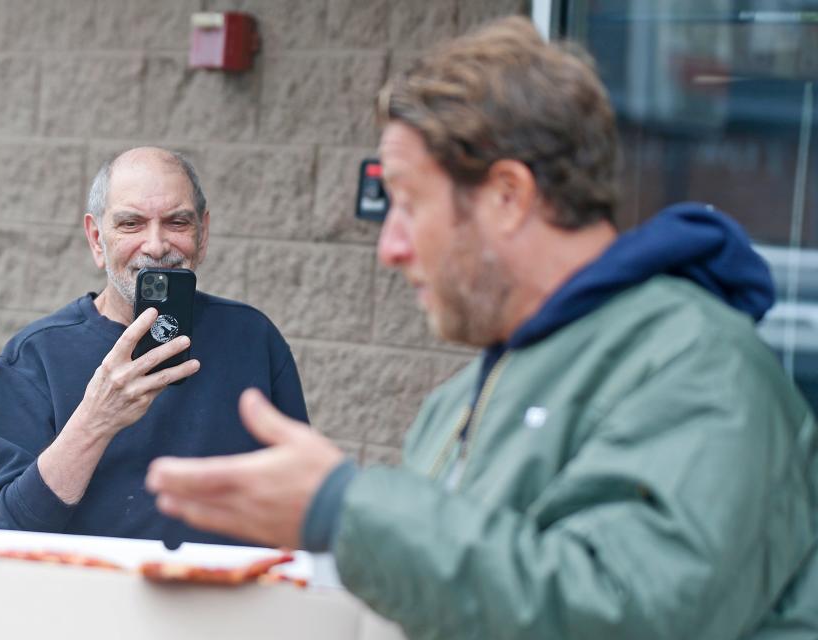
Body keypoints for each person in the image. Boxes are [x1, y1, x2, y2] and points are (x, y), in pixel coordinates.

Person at [143, 17, 818, 639]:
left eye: (408, 204)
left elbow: (625, 612)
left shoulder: (699, 368)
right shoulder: (458, 402)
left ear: (507, 196)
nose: (391, 247)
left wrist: (343, 512)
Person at [0, 147, 307, 548]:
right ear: (97, 240)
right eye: (131, 224)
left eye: (177, 221)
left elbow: (301, 503)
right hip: (86, 599)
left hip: (223, 598)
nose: (157, 245)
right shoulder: (33, 358)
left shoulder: (252, 338)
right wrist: (96, 420)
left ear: (203, 234)